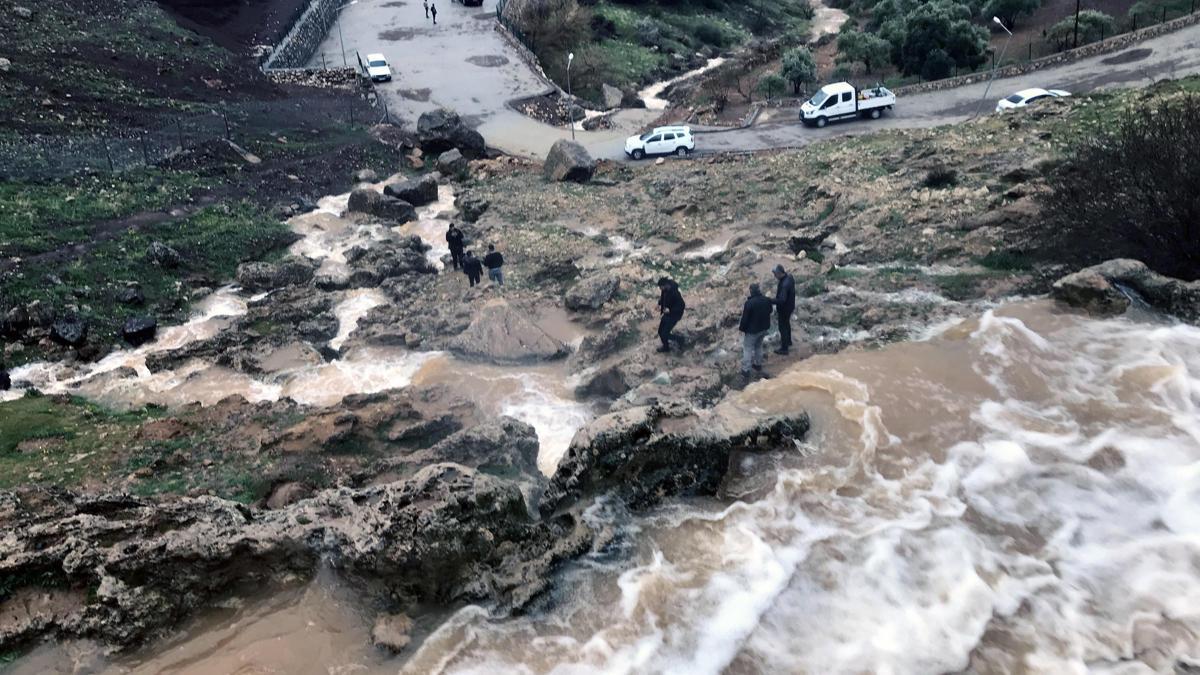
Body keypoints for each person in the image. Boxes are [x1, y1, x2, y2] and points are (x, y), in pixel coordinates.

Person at [739, 282, 773, 381]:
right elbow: (770, 311)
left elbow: (745, 319)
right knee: (758, 346)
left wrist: (742, 329)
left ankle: (746, 370)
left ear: (751, 291)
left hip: (752, 331)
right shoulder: (766, 300)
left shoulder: (749, 303)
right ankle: (758, 365)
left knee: (747, 349)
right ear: (759, 290)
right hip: (763, 328)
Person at [656, 277, 685, 353]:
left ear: (665, 285)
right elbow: (663, 298)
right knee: (660, 331)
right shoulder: (665, 290)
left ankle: (680, 339)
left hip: (674, 315)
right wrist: (659, 303)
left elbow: (681, 305)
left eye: (660, 287)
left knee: (664, 333)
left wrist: (671, 310)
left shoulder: (675, 293)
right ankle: (666, 347)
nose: (660, 289)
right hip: (667, 314)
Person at [772, 264, 796, 355]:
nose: (774, 276)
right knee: (787, 324)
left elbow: (782, 300)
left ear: (779, 273)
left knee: (782, 327)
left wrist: (770, 301)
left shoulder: (784, 285)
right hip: (790, 306)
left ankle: (784, 348)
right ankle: (788, 341)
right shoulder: (789, 278)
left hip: (784, 308)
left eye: (775, 274)